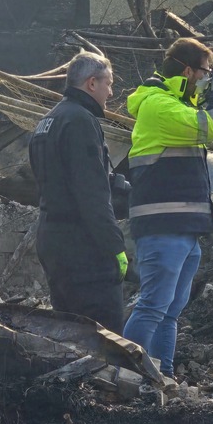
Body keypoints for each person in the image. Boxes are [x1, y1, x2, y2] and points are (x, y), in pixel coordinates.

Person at [122, 38, 213, 378]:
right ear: (187, 70)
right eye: (204, 72)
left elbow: (196, 119)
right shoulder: (158, 106)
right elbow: (208, 126)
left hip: (183, 228)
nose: (206, 78)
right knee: (153, 307)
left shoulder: (174, 105)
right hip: (163, 228)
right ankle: (127, 376)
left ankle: (163, 378)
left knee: (169, 312)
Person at [28, 51, 128, 333]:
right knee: (103, 336)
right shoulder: (81, 121)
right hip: (83, 246)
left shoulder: (45, 122)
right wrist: (114, 246)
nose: (111, 92)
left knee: (70, 333)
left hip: (52, 240)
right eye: (108, 84)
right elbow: (91, 194)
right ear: (91, 83)